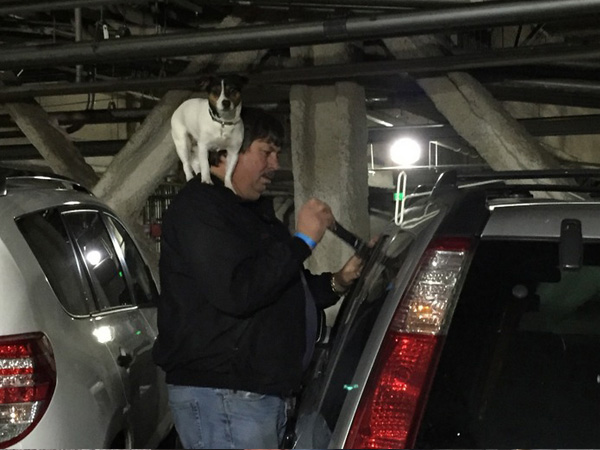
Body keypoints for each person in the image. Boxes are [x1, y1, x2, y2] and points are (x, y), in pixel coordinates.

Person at [153, 108, 364, 449]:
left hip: (248, 396)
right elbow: (239, 291)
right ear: (225, 152)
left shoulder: (249, 213)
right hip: (225, 395)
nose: (275, 165)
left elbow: (281, 286)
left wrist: (339, 280)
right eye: (266, 152)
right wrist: (303, 240)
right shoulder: (202, 208)